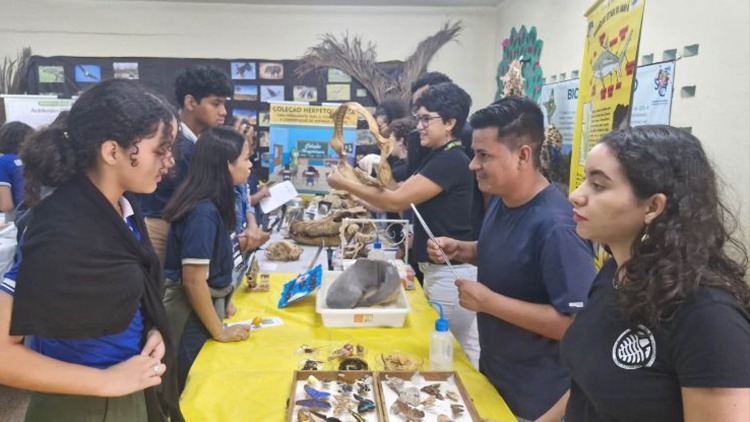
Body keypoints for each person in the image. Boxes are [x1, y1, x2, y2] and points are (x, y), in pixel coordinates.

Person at [537, 126, 750, 422]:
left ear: (653, 206)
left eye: (598, 185)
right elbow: (587, 386)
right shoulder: (615, 272)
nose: (576, 195)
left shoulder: (706, 314)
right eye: (585, 181)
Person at [0, 79, 180, 421]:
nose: (169, 162)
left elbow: (133, 294)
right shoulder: (63, 228)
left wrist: (151, 330)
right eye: (160, 149)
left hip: (127, 394)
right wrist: (104, 380)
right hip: (84, 406)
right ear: (112, 152)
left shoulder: (122, 210)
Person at [427, 97, 596, 421]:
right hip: (496, 380)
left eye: (483, 155)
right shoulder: (504, 201)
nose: (472, 165)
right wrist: (463, 250)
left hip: (536, 401)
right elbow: (517, 259)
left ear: (522, 155)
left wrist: (490, 303)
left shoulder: (557, 228)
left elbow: (577, 326)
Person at [328, 82, 483, 368]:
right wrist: (359, 182)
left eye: (427, 119)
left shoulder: (451, 161)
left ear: (450, 123)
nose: (420, 126)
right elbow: (394, 193)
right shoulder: (437, 157)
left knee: (456, 355)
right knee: (451, 350)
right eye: (418, 118)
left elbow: (395, 201)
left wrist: (345, 182)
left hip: (451, 273)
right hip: (437, 271)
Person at [162, 126, 253, 391]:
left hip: (207, 308)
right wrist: (219, 330)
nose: (249, 165)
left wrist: (223, 300)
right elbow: (193, 281)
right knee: (194, 389)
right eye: (246, 158)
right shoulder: (203, 213)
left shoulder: (214, 204)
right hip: (190, 318)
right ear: (227, 165)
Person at [140, 65, 233, 263]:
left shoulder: (195, 143)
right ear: (190, 102)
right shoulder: (176, 146)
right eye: (216, 104)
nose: (223, 111)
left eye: (224, 104)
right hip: (165, 235)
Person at [0, 121, 34, 216]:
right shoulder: (32, 160)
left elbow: (6, 206)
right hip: (36, 215)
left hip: (15, 219)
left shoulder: (3, 162)